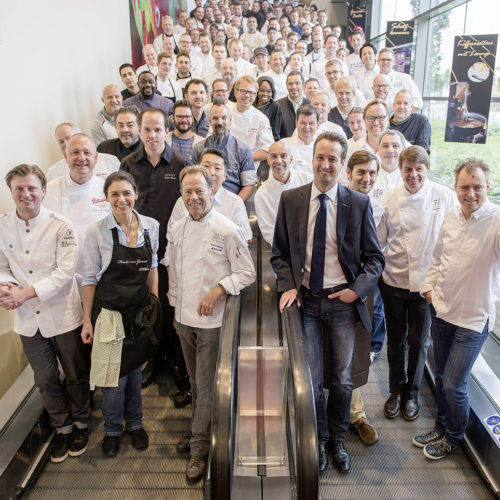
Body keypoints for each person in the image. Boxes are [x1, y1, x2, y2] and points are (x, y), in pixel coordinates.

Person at [271, 132, 384, 473]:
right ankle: (318, 440)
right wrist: (288, 285)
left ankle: (337, 439)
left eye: (333, 159)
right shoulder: (291, 200)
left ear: (342, 164)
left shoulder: (358, 203)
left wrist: (356, 289)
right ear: (312, 159)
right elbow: (279, 254)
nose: (325, 164)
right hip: (306, 302)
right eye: (321, 157)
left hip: (342, 303)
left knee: (342, 379)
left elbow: (375, 259)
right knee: (312, 377)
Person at [168, 165, 255, 483]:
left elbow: (247, 273)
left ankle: (199, 451)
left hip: (212, 324)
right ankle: (199, 434)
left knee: (204, 387)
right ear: (181, 194)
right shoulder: (177, 229)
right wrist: (176, 311)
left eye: (199, 190)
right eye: (188, 191)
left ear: (211, 190)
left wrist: (219, 289)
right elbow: (174, 274)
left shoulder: (226, 228)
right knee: (195, 383)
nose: (194, 197)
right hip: (184, 321)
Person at [0, 164, 91, 463]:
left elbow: (65, 273)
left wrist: (23, 294)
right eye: (19, 189)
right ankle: (61, 427)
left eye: (31, 188)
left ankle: (81, 423)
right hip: (28, 320)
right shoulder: (2, 226)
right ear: (11, 192)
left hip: (62, 315)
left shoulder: (60, 226)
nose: (26, 194)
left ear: (43, 190)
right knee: (46, 377)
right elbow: (2, 267)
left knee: (76, 373)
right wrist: (7, 288)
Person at [415, 158, 500, 460]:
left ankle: (453, 436)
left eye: (477, 186)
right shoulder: (451, 216)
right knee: (440, 377)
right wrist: (429, 286)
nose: (471, 193)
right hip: (442, 311)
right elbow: (438, 257)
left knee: (454, 383)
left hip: (473, 320)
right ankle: (440, 426)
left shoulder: (496, 220)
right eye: (465, 187)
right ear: (456, 187)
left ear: (488, 186)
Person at [81, 171, 161, 457]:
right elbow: (89, 278)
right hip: (109, 315)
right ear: (107, 198)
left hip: (139, 314)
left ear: (135, 195)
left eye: (126, 193)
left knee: (135, 373)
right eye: (114, 194)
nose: (121, 199)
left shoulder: (151, 226)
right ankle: (113, 429)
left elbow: (152, 267)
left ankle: (136, 423)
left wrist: (154, 305)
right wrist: (87, 320)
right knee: (112, 379)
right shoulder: (96, 231)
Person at [377, 146, 457, 422]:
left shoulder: (444, 196)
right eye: (408, 170)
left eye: (418, 170)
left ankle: (411, 393)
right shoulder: (388, 200)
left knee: (419, 341)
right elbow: (379, 242)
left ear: (427, 169)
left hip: (427, 285)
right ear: (400, 170)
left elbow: (455, 233)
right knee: (396, 341)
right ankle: (395, 391)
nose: (413, 175)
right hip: (394, 280)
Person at [120, 108, 190, 403]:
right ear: (139, 131)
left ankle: (175, 365)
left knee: (170, 310)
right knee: (143, 309)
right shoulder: (127, 164)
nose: (151, 135)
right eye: (146, 130)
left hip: (169, 253)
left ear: (166, 130)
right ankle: (149, 360)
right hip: (136, 251)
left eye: (157, 129)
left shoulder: (181, 163)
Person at [44, 133, 110, 278]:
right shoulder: (49, 191)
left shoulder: (108, 190)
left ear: (96, 157)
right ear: (66, 157)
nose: (81, 158)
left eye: (87, 152)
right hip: (62, 275)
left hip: (101, 273)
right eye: (75, 152)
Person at [167, 148, 252, 243]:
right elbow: (172, 237)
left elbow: (243, 242)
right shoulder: (182, 201)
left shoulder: (235, 203)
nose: (211, 173)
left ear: (225, 175)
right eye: (206, 166)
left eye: (217, 168)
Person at [193, 101, 257, 201]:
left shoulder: (243, 150)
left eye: (224, 118)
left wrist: (233, 206)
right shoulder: (198, 149)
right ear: (210, 120)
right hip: (203, 204)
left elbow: (249, 186)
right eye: (215, 118)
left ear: (230, 119)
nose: (219, 122)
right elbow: (192, 180)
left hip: (233, 205)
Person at [255, 140, 312, 245]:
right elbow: (268, 232)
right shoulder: (261, 194)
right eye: (273, 156)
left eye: (283, 156)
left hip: (311, 244)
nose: (278, 161)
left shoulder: (308, 180)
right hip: (283, 251)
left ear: (291, 159)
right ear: (267, 160)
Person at [47, 123, 120, 182]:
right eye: (61, 141)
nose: (65, 144)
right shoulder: (53, 172)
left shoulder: (110, 160)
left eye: (69, 138)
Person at [228, 76, 274, 162]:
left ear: (255, 95)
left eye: (251, 92)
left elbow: (268, 149)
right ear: (235, 92)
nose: (247, 95)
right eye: (243, 91)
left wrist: (245, 159)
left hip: (249, 166)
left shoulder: (261, 118)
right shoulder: (225, 111)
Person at [166, 100, 205, 164]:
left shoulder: (202, 143)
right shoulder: (164, 141)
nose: (184, 120)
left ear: (192, 119)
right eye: (180, 116)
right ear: (173, 119)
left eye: (187, 116)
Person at [284, 104, 319, 173]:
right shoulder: (284, 145)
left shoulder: (322, 147)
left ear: (317, 125)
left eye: (311, 123)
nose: (307, 127)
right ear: (296, 123)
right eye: (303, 123)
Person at [371, 130, 405, 200]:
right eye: (385, 146)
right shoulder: (368, 176)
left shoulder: (411, 176)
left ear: (403, 150)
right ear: (378, 149)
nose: (390, 150)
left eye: (395, 146)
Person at [277, 71, 309, 139]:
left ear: (303, 85)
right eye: (290, 84)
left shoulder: (310, 105)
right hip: (284, 147)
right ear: (286, 86)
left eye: (297, 83)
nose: (294, 87)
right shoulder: (277, 106)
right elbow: (275, 134)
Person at [255, 76, 283, 141]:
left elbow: (275, 133)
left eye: (268, 91)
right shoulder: (251, 103)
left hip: (266, 142)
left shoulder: (275, 106)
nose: (265, 94)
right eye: (262, 90)